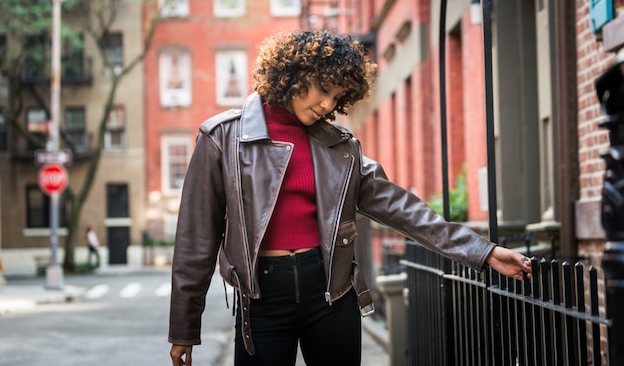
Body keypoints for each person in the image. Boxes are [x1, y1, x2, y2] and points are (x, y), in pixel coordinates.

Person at [168, 30, 532, 366]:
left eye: (338, 97)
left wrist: (481, 251)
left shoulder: (340, 148)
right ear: (294, 74)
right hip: (262, 300)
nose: (328, 104)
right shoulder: (222, 139)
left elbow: (401, 209)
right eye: (323, 89)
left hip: (331, 293)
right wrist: (184, 327)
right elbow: (195, 241)